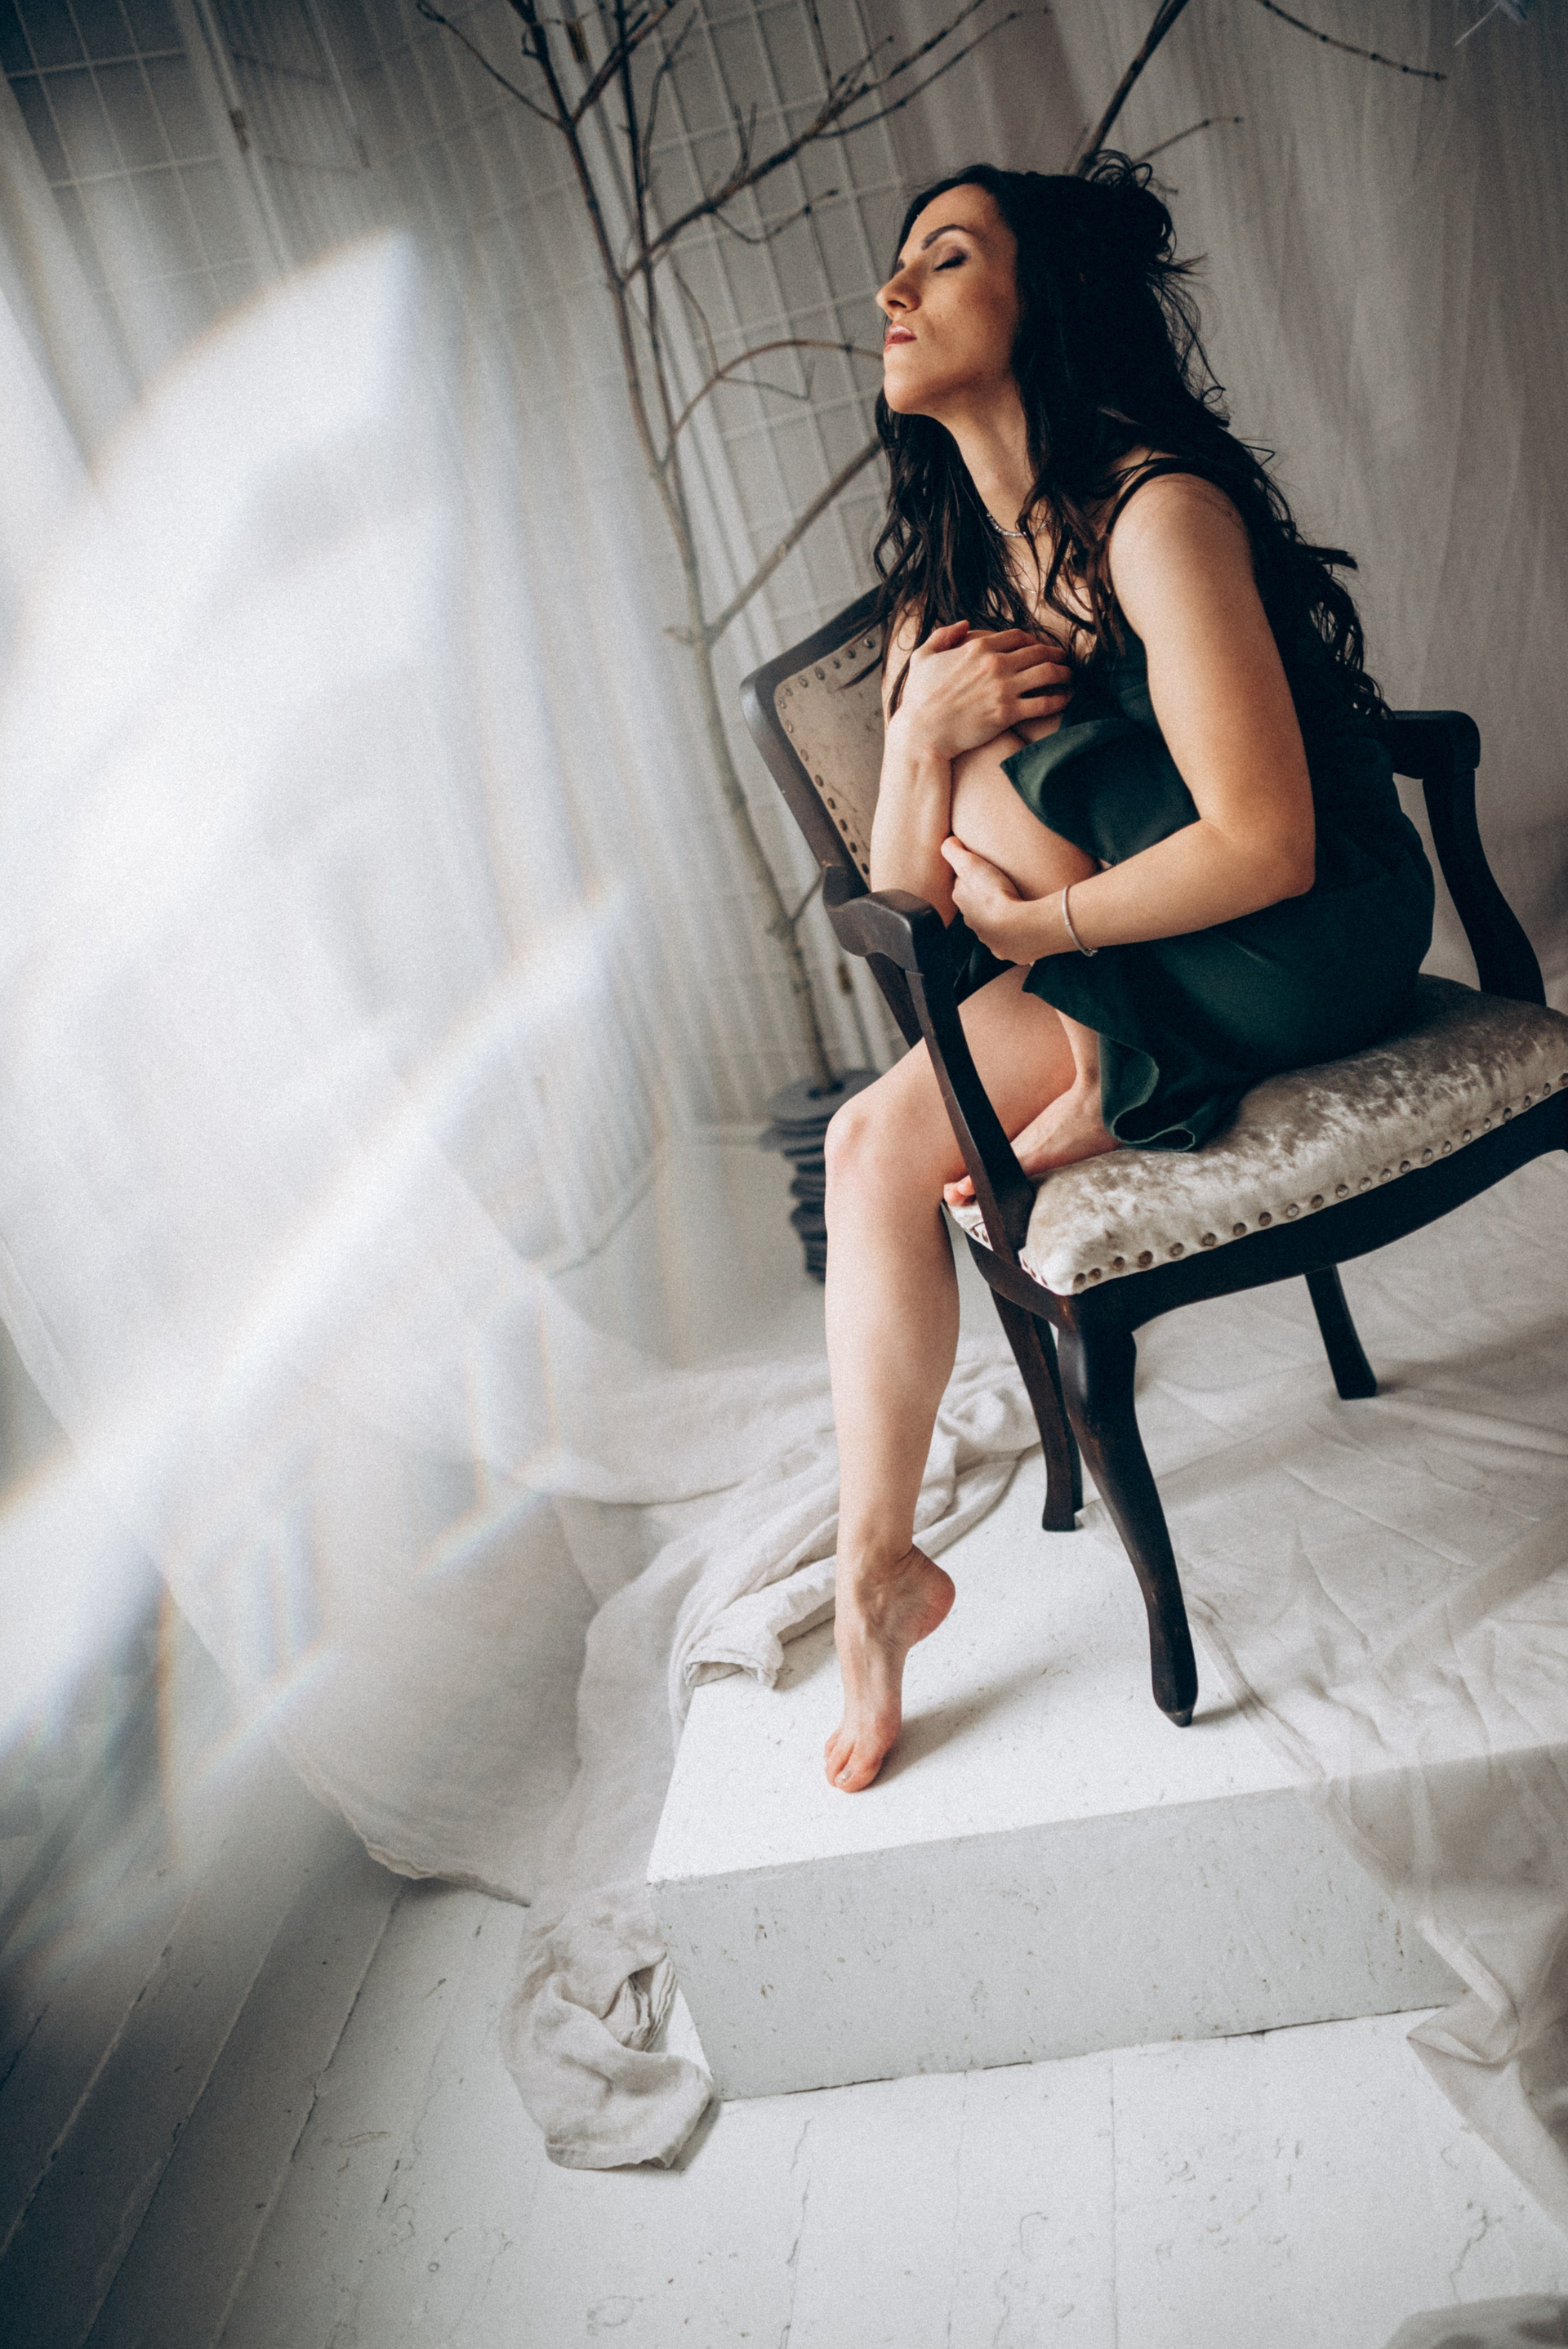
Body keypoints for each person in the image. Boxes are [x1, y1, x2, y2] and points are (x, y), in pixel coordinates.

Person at [821, 158, 1434, 1794]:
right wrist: (917, 736)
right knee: (869, 1147)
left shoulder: (1153, 513)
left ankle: (1115, 1072)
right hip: (1134, 950)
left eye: (947, 259)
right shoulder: (950, 587)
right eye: (899, 265)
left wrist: (1030, 933)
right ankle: (875, 1573)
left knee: (1002, 768)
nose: (894, 292)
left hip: (1301, 941)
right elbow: (904, 903)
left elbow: (1269, 845)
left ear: (1047, 301)